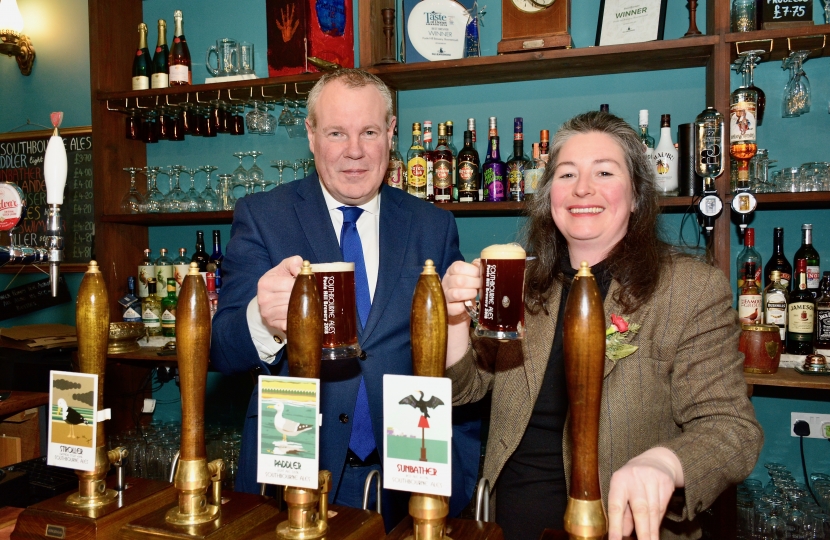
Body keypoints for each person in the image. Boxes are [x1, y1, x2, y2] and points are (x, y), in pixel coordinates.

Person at [441, 111, 763, 540]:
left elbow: (732, 428)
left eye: (604, 172)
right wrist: (455, 315)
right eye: (566, 173)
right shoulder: (523, 282)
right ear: (548, 194)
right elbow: (464, 391)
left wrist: (666, 462)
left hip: (621, 528)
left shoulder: (688, 289)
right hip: (508, 522)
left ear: (635, 196)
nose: (582, 189)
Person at [210, 69, 480, 530]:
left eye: (369, 132)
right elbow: (218, 346)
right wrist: (262, 318)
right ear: (311, 136)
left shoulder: (433, 225)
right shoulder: (263, 216)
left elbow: (455, 361)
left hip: (406, 477)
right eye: (336, 132)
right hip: (294, 473)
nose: (354, 150)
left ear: (391, 134)